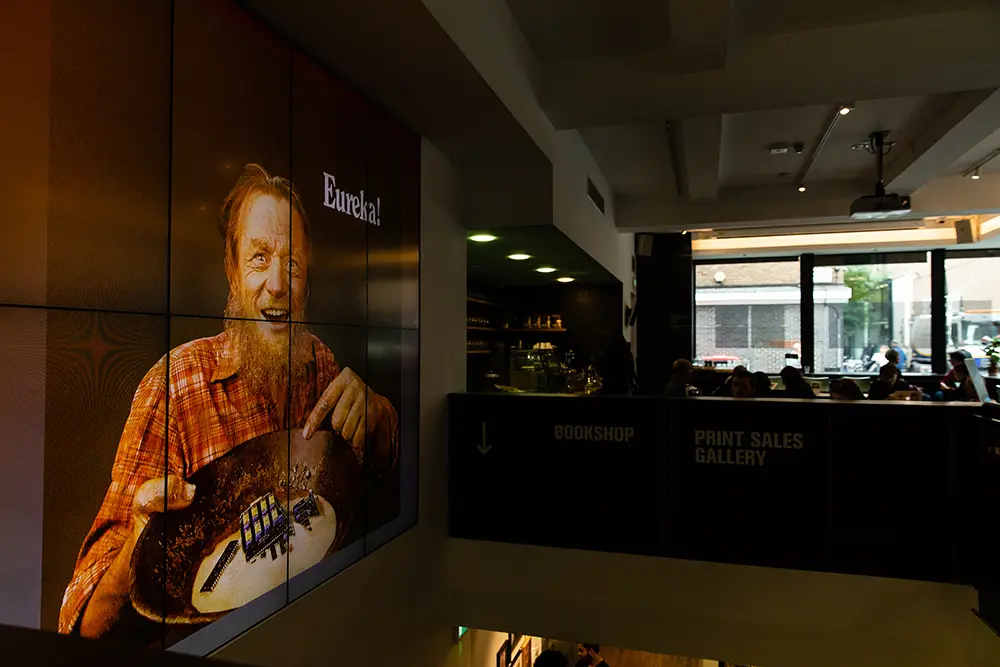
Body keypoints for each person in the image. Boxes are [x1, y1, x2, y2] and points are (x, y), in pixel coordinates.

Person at [60, 164, 400, 638]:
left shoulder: (319, 363)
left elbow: (375, 470)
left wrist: (378, 412)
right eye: (260, 257)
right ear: (232, 271)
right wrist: (140, 537)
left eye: (292, 263)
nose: (278, 284)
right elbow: (81, 625)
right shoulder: (174, 386)